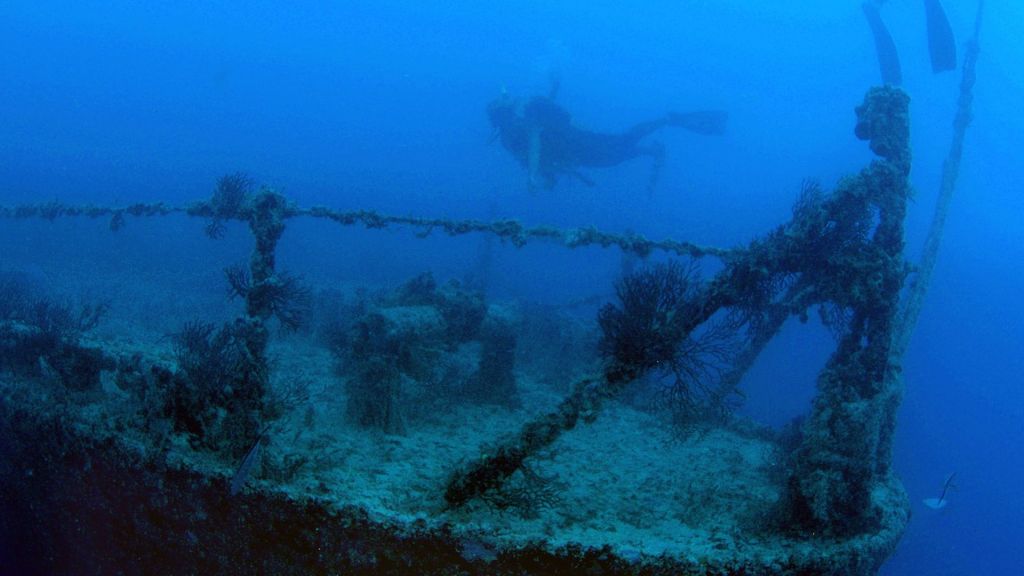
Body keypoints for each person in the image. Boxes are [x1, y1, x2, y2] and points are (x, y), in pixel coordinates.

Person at [487, 85, 726, 192]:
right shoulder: (515, 132)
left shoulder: (519, 130)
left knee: (619, 147)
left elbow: (537, 144)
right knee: (617, 152)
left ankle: (666, 121)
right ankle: (653, 146)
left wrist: (532, 176)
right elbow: (545, 155)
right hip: (578, 147)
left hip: (580, 143)